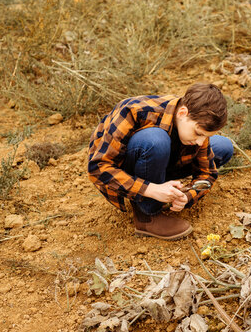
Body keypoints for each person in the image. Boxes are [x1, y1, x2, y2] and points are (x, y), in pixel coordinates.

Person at [87, 83, 233, 240]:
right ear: (183, 113)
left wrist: (188, 196)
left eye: (206, 136)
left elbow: (208, 173)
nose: (200, 142)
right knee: (155, 141)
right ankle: (148, 213)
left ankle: (161, 180)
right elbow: (97, 168)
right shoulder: (134, 111)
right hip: (128, 166)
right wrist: (151, 190)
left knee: (224, 147)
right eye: (198, 133)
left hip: (161, 158)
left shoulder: (197, 122)